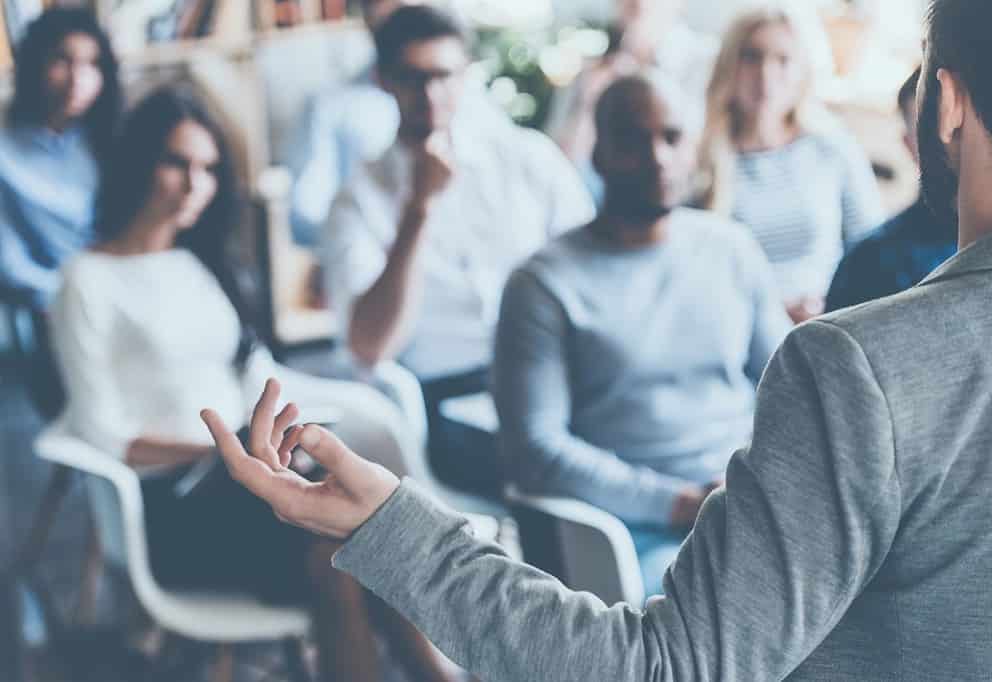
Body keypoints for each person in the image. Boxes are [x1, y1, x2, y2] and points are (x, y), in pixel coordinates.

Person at [206, 0, 992, 678]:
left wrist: (384, 521)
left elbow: (667, 668)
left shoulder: (853, 366)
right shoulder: (540, 276)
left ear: (944, 105)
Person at [50, 86, 459, 682]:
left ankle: (443, 674)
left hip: (252, 487)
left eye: (209, 168)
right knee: (348, 541)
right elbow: (103, 434)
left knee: (350, 541)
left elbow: (256, 377)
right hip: (168, 508)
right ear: (138, 162)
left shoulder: (196, 267)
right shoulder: (85, 281)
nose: (196, 184)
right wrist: (229, 455)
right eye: (176, 163)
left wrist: (287, 435)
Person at [495, 72, 791, 597]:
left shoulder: (731, 249)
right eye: (633, 139)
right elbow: (537, 450)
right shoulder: (542, 284)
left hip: (749, 503)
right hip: (629, 532)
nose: (657, 157)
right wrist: (678, 503)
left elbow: (790, 390)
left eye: (672, 137)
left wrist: (756, 485)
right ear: (599, 153)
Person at [322, 4, 594, 498]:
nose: (430, 96)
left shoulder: (525, 158)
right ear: (385, 81)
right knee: (554, 456)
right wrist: (418, 210)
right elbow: (369, 345)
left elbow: (596, 269)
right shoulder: (360, 198)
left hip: (553, 370)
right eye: (413, 79)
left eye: (443, 76)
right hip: (451, 395)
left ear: (466, 74)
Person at [697, 6, 884, 323]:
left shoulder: (832, 148)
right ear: (730, 64)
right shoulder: (702, 157)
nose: (766, 75)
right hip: (736, 324)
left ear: (802, 71)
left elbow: (873, 251)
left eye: (782, 60)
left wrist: (832, 305)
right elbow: (695, 273)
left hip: (826, 321)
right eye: (752, 57)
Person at [286, 0, 506, 246]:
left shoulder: (469, 96)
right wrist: (353, 237)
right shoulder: (329, 108)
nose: (429, 95)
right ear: (366, 16)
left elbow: (510, 169)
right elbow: (303, 217)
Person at [0, 7, 121, 311]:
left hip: (120, 293)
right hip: (52, 308)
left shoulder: (110, 143)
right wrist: (81, 302)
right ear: (36, 64)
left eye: (91, 64)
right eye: (63, 60)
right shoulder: (6, 157)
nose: (77, 79)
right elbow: (12, 267)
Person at [546, 0, 718, 199]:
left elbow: (698, 156)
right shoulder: (592, 72)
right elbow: (558, 167)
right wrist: (588, 104)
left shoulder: (705, 60)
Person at [825, 67, 957, 312]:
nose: (946, 141)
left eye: (956, 127)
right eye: (927, 131)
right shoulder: (871, 262)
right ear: (909, 145)